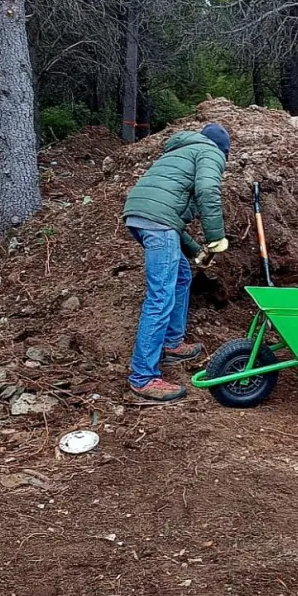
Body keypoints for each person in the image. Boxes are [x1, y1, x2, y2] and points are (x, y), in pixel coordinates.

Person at [121, 123, 231, 401]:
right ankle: (143, 377)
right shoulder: (211, 152)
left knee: (182, 276)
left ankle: (172, 343)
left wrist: (196, 251)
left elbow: (168, 211)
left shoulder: (179, 152)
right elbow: (208, 191)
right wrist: (216, 237)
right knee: (160, 296)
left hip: (140, 214)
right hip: (158, 223)